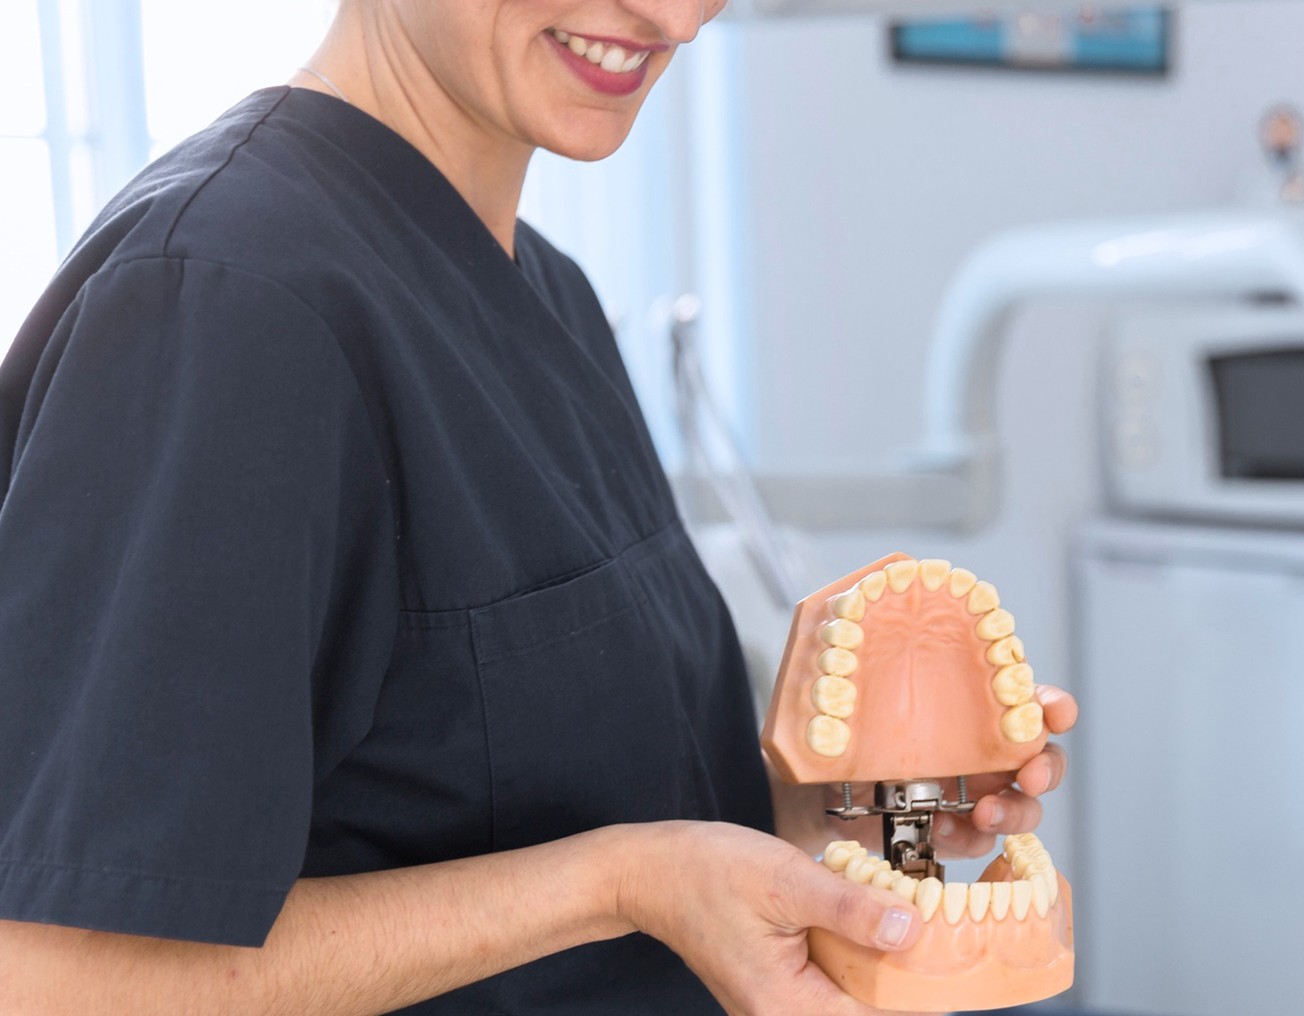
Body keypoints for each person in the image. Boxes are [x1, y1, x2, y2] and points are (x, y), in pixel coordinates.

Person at [0, 1, 1076, 1013]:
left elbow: (540, 792)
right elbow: (52, 975)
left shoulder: (545, 290)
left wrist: (862, 809)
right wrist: (614, 883)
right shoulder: (227, 300)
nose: (668, 15)